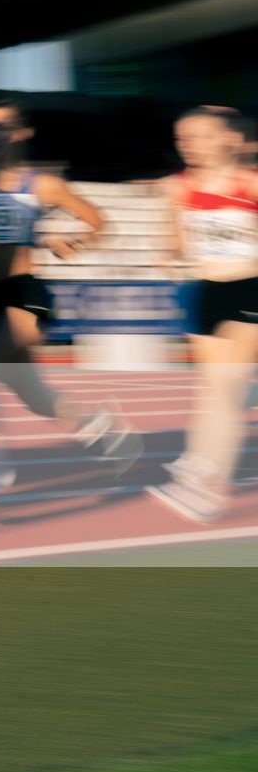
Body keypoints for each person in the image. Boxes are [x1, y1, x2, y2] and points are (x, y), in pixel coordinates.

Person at [0, 101, 139, 513]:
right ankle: (103, 429)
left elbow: (98, 220)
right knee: (32, 395)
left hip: (26, 295)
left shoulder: (41, 184)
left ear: (21, 132)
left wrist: (69, 241)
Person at [150, 106, 258, 524]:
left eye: (200, 136)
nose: (189, 145)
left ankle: (213, 487)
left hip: (247, 289)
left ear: (229, 140)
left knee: (225, 392)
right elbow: (176, 241)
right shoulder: (176, 188)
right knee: (214, 390)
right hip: (201, 292)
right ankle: (201, 466)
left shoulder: (249, 183)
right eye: (183, 137)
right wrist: (169, 255)